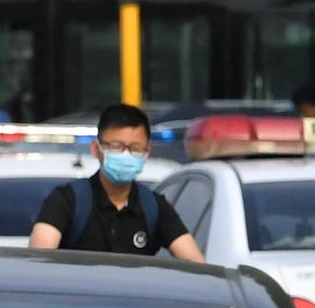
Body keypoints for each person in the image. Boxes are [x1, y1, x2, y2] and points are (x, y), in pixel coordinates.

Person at [29, 102, 203, 260]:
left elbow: (197, 267)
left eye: (135, 148)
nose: (126, 155)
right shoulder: (66, 201)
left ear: (146, 153)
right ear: (96, 149)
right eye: (116, 147)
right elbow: (38, 263)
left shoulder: (154, 207)